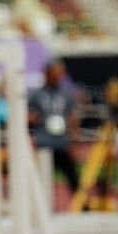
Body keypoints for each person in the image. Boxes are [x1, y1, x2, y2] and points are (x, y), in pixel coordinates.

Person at [30, 60, 79, 197]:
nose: (58, 76)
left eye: (60, 73)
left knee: (73, 177)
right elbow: (27, 114)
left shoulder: (66, 93)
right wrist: (33, 118)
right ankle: (44, 206)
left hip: (62, 142)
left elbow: (72, 115)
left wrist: (74, 138)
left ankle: (81, 205)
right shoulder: (36, 94)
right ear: (46, 74)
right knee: (43, 179)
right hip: (44, 143)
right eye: (55, 72)